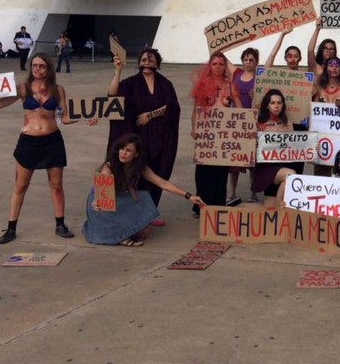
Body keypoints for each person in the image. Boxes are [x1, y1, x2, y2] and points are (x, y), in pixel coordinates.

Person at [0, 52, 89, 244]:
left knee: (56, 185)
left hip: (52, 141)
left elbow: (64, 118)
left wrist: (86, 117)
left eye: (41, 66)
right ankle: (11, 228)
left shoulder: (58, 90)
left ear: (49, 68)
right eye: (34, 65)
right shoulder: (22, 88)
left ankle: (60, 224)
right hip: (28, 142)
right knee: (20, 186)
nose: (37, 69)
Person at [82, 133, 204, 246]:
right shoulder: (109, 167)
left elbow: (162, 183)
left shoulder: (139, 167)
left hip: (122, 200)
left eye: (128, 150)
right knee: (119, 228)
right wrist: (96, 202)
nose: (123, 153)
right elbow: (103, 195)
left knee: (144, 231)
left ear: (136, 154)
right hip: (101, 203)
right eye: (121, 149)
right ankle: (119, 236)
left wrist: (189, 196)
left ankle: (122, 231)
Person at [108, 47, 181, 224]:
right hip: (136, 137)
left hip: (159, 138)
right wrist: (118, 71)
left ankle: (151, 212)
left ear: (157, 63)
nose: (147, 63)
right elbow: (112, 97)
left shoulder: (165, 84)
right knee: (136, 174)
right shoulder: (131, 83)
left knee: (157, 171)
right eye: (144, 60)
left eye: (151, 60)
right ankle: (134, 213)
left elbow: (172, 106)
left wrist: (150, 115)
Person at [190, 52, 241, 215]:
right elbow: (196, 111)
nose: (218, 67)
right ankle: (201, 206)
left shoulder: (230, 85)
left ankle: (218, 205)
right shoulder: (203, 84)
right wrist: (194, 128)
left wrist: (243, 126)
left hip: (224, 134)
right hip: (206, 132)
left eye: (221, 64)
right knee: (204, 171)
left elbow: (239, 108)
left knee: (221, 172)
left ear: (225, 66)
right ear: (210, 66)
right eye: (215, 64)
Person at [250, 89, 301, 207]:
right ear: (267, 105)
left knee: (271, 207)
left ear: (283, 105)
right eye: (273, 103)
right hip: (265, 167)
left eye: (279, 103)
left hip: (282, 164)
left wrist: (311, 148)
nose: (276, 106)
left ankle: (278, 210)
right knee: (290, 175)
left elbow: (294, 144)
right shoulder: (259, 123)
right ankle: (278, 209)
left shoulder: (287, 122)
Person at [228, 47, 259, 204]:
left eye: (251, 59)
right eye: (245, 59)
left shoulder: (260, 77)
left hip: (253, 123)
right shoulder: (236, 74)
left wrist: (281, 36)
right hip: (236, 123)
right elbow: (220, 56)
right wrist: (211, 39)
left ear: (256, 62)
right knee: (234, 161)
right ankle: (232, 193)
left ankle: (253, 193)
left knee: (252, 161)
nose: (248, 62)